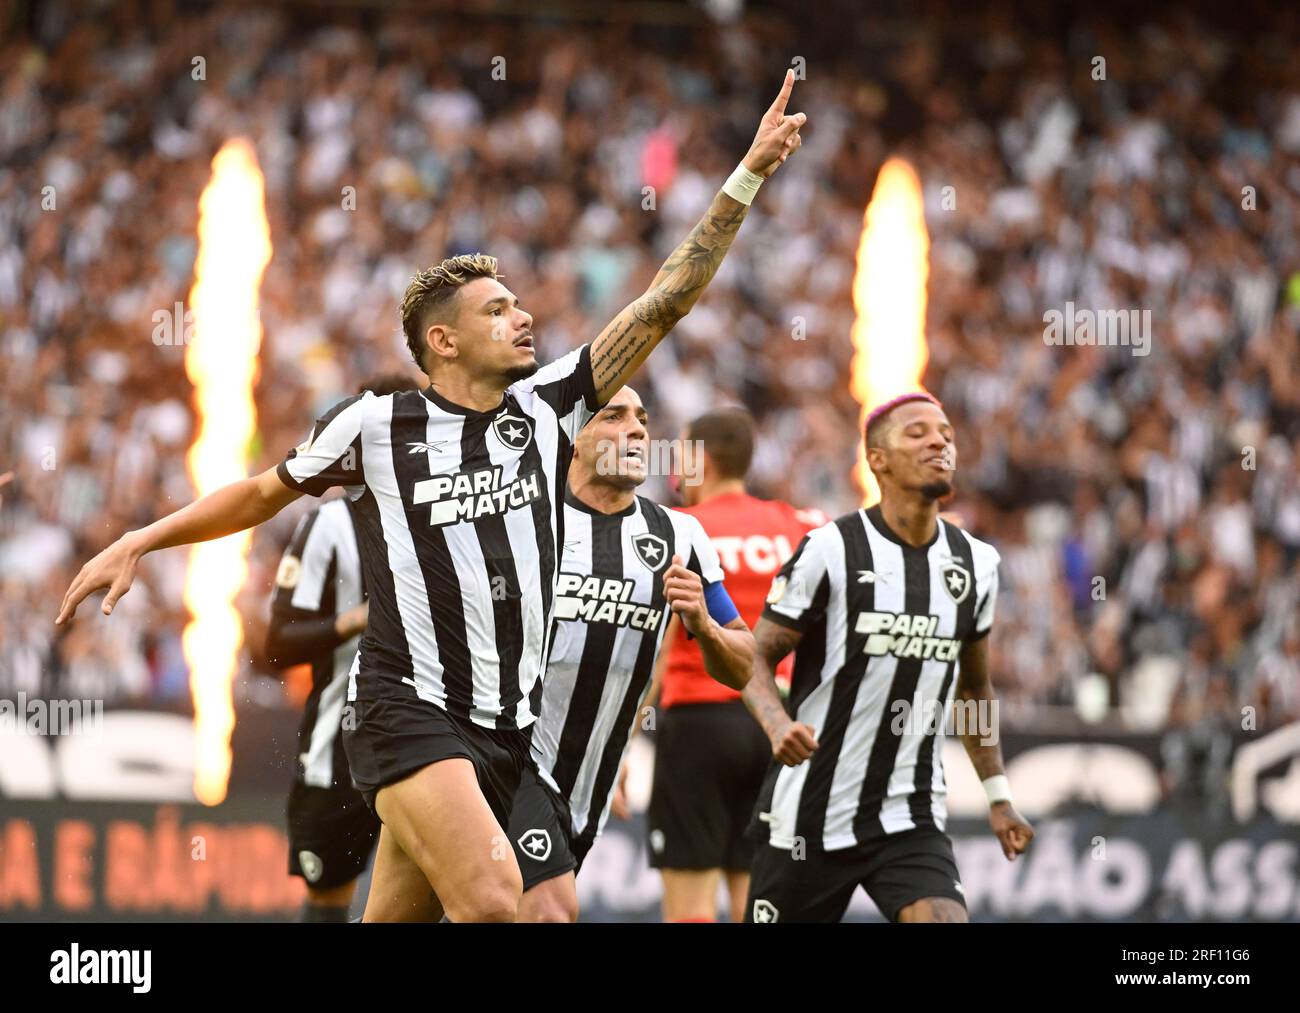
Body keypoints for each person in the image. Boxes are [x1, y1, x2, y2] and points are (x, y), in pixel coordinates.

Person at [55, 70, 807, 923]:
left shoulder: (548, 408)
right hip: (408, 709)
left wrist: (747, 174)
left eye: (520, 305)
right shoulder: (377, 425)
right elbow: (258, 494)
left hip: (505, 729)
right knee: (498, 903)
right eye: (497, 311)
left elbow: (667, 298)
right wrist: (139, 541)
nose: (523, 318)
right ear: (442, 340)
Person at [742, 392, 1034, 923]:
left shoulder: (978, 564)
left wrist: (997, 794)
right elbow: (755, 656)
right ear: (877, 459)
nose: (940, 441)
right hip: (811, 810)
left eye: (945, 433)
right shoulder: (830, 549)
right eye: (918, 433)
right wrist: (775, 723)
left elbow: (973, 689)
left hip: (909, 812)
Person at [503, 386, 753, 922]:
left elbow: (744, 662)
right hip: (509, 760)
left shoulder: (679, 534)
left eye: (642, 418)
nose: (637, 429)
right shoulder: (526, 518)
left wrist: (704, 628)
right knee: (550, 908)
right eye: (613, 416)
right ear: (571, 437)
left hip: (588, 780)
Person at [646, 407, 826, 922]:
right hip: (776, 726)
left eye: (680, 454)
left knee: (690, 911)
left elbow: (659, 646)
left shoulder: (679, 530)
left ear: (702, 459)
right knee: (757, 904)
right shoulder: (800, 526)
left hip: (697, 721)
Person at [264, 373, 415, 922]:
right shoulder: (328, 524)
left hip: (430, 738)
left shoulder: (449, 513)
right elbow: (276, 645)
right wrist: (354, 620)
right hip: (340, 745)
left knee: (439, 896)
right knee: (329, 900)